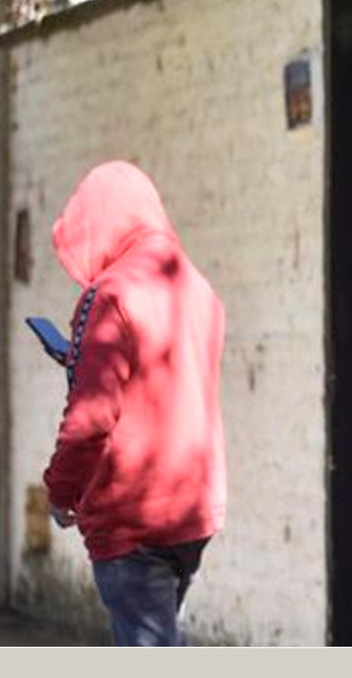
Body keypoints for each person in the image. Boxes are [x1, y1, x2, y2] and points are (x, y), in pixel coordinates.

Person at [42, 160, 227, 647]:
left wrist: (61, 494)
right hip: (192, 511)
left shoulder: (111, 295)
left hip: (134, 521)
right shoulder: (198, 288)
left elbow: (90, 418)